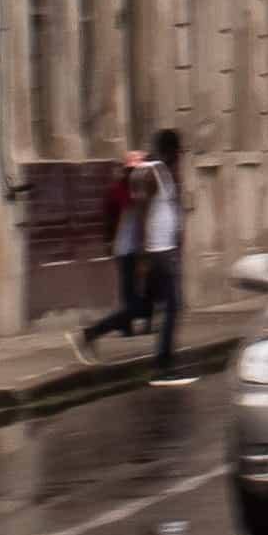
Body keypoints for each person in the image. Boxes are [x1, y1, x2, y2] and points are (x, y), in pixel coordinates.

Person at [90, 128, 189, 368]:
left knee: (143, 307)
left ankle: (90, 333)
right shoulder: (153, 173)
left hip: (164, 251)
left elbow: (169, 212)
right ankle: (163, 363)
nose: (181, 154)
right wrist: (144, 256)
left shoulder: (165, 172)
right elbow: (143, 212)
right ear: (171, 150)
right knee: (172, 306)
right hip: (157, 252)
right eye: (179, 149)